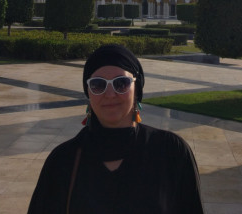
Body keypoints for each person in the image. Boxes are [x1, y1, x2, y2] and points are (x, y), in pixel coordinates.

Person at [27, 44, 204, 213]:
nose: (110, 94)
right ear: (89, 93)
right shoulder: (62, 161)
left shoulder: (171, 152)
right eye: (98, 84)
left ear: (137, 89)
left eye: (121, 83)